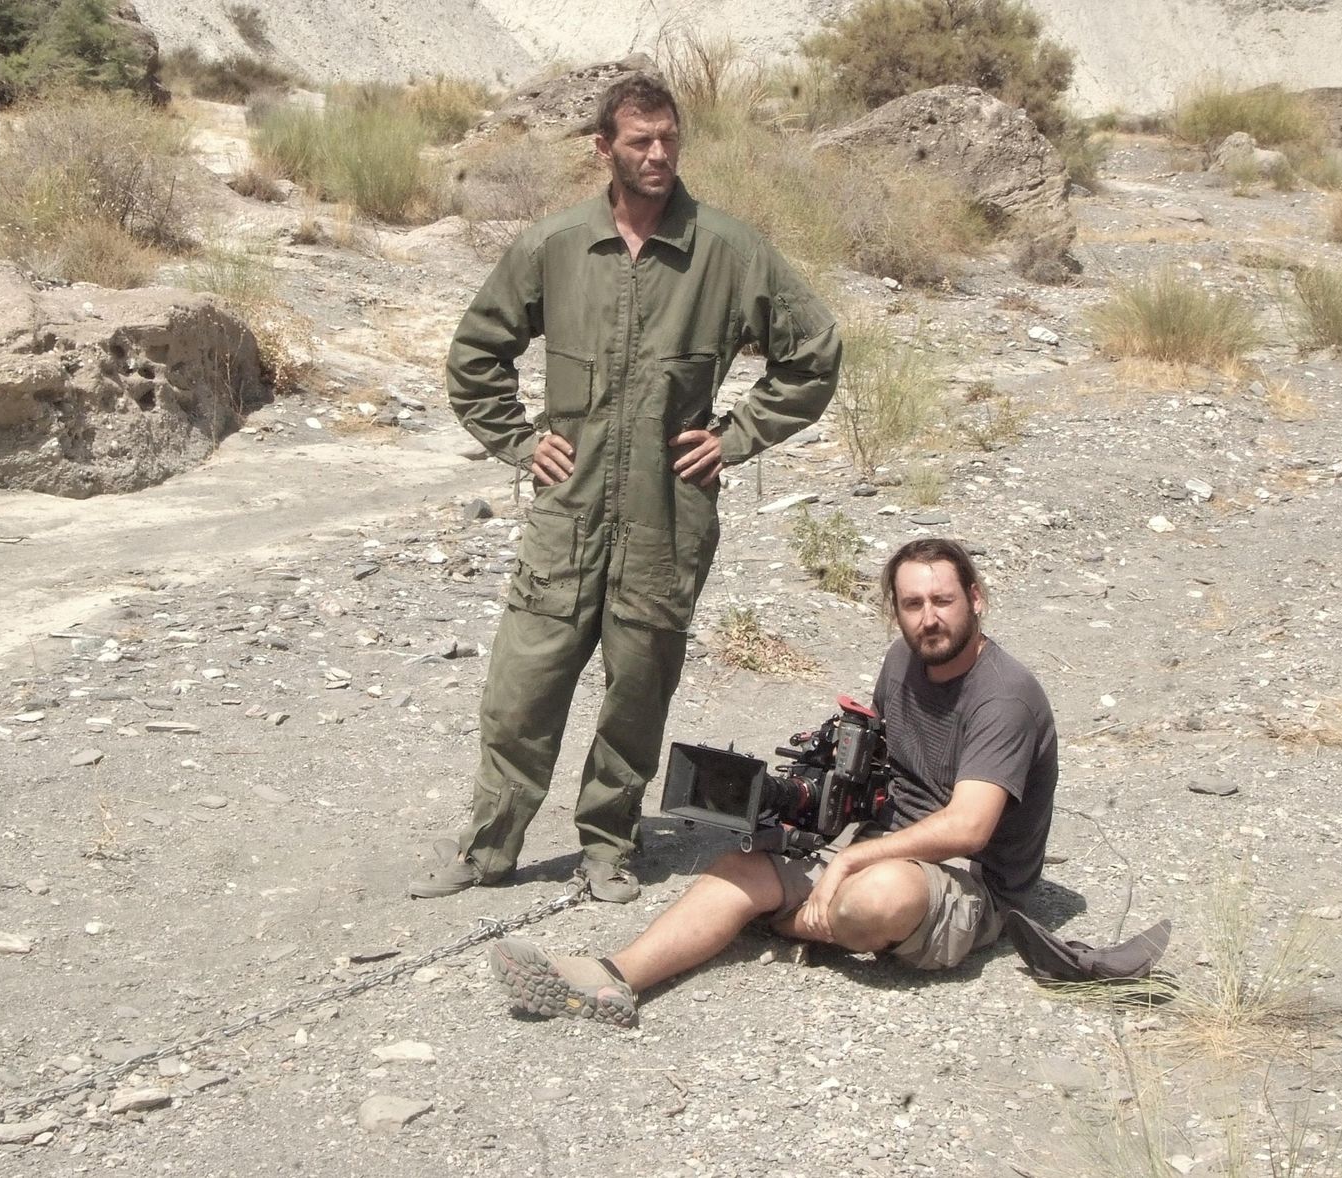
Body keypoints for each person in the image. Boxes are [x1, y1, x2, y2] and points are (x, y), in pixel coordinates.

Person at [408, 74, 842, 902]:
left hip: (666, 517)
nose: (658, 154)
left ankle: (608, 845)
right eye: (640, 141)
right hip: (567, 514)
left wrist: (735, 438)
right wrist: (519, 441)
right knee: (521, 692)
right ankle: (489, 847)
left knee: (637, 694)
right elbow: (476, 356)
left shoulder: (727, 251)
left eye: (669, 138)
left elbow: (813, 354)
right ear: (603, 148)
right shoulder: (555, 245)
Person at [485, 537, 1058, 1025]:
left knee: (879, 896)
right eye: (913, 604)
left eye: (943, 600)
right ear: (896, 610)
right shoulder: (903, 661)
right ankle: (611, 979)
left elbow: (968, 828)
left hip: (971, 882)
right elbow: (881, 765)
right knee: (739, 868)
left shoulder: (1002, 698)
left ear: (976, 599)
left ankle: (789, 923)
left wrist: (850, 861)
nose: (929, 618)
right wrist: (815, 796)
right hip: (885, 843)